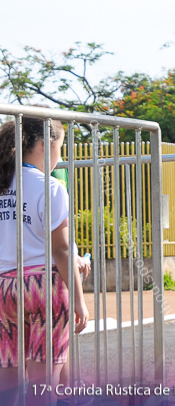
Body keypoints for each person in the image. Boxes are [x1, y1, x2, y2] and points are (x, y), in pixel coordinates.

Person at [0, 117, 89, 396]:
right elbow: (61, 250)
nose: (59, 157)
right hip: (44, 288)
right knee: (43, 385)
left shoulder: (2, 184)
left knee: (8, 382)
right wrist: (79, 301)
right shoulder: (50, 187)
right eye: (60, 149)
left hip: (3, 286)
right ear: (44, 144)